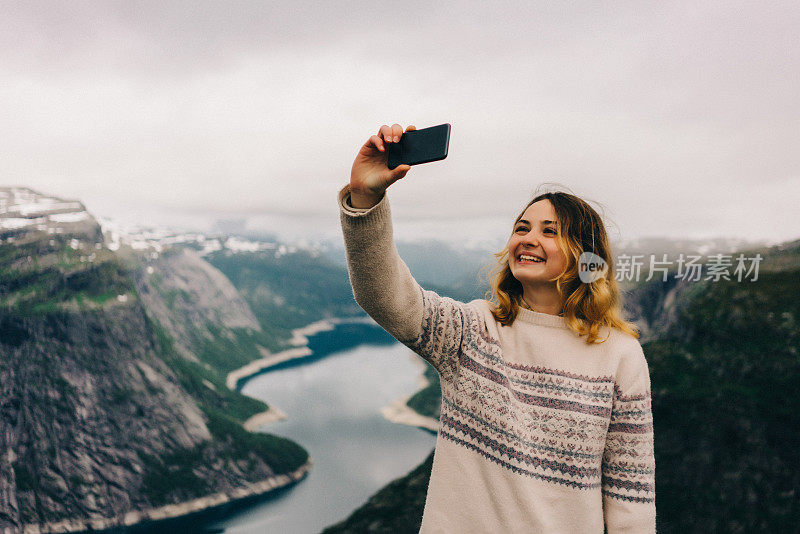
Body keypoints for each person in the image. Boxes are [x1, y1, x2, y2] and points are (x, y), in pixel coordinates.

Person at [338, 123, 656, 533]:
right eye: (521, 228)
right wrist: (367, 195)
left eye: (549, 231)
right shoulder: (472, 332)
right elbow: (383, 295)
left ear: (586, 255)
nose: (527, 238)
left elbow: (630, 496)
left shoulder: (620, 354)